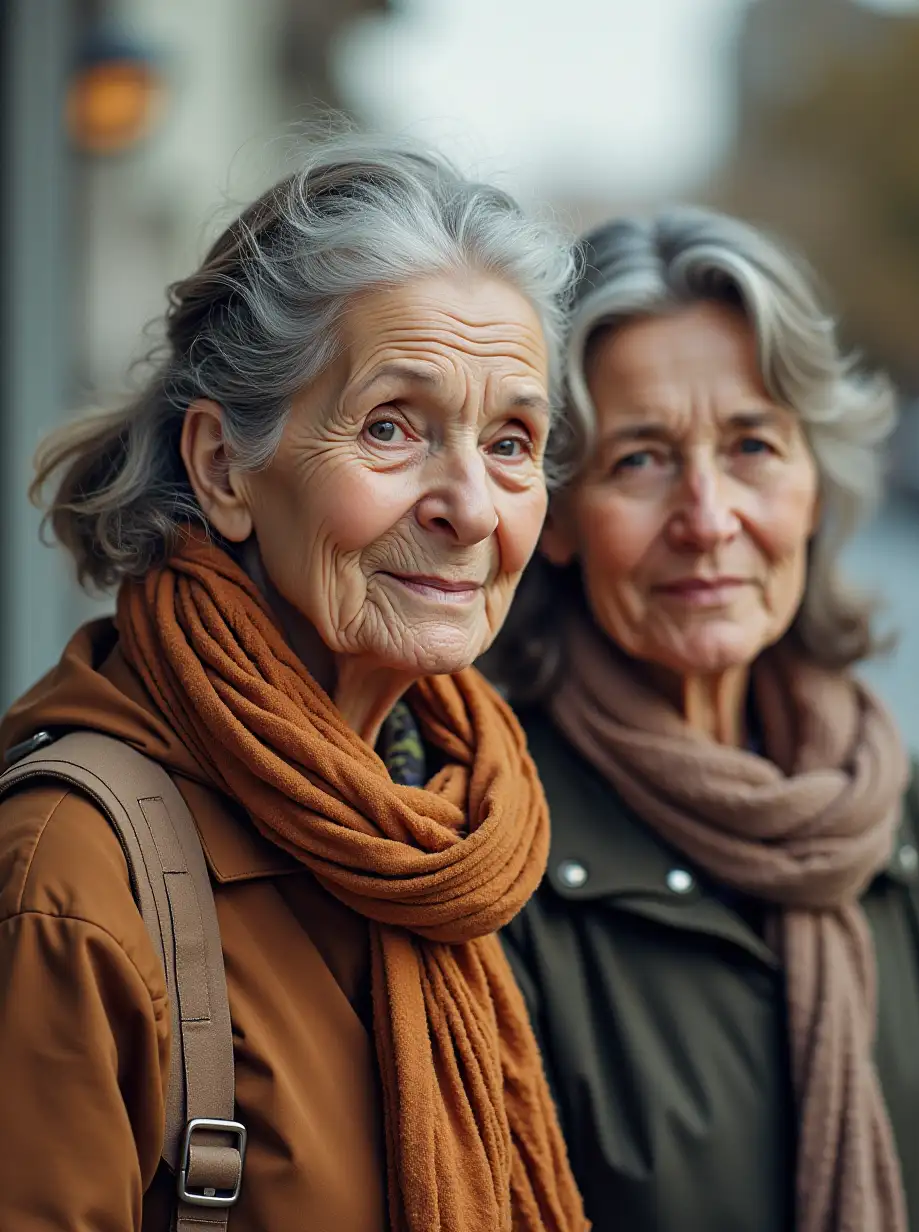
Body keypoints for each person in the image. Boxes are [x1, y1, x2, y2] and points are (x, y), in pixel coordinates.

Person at [0, 134, 589, 1232]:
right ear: (226, 467)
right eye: (390, 426)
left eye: (512, 439)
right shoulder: (71, 877)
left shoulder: (467, 824)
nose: (470, 506)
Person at [489, 207, 919, 1232]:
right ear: (553, 517)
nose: (707, 515)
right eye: (640, 457)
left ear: (814, 486)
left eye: (751, 444)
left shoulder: (900, 814)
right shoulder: (493, 860)